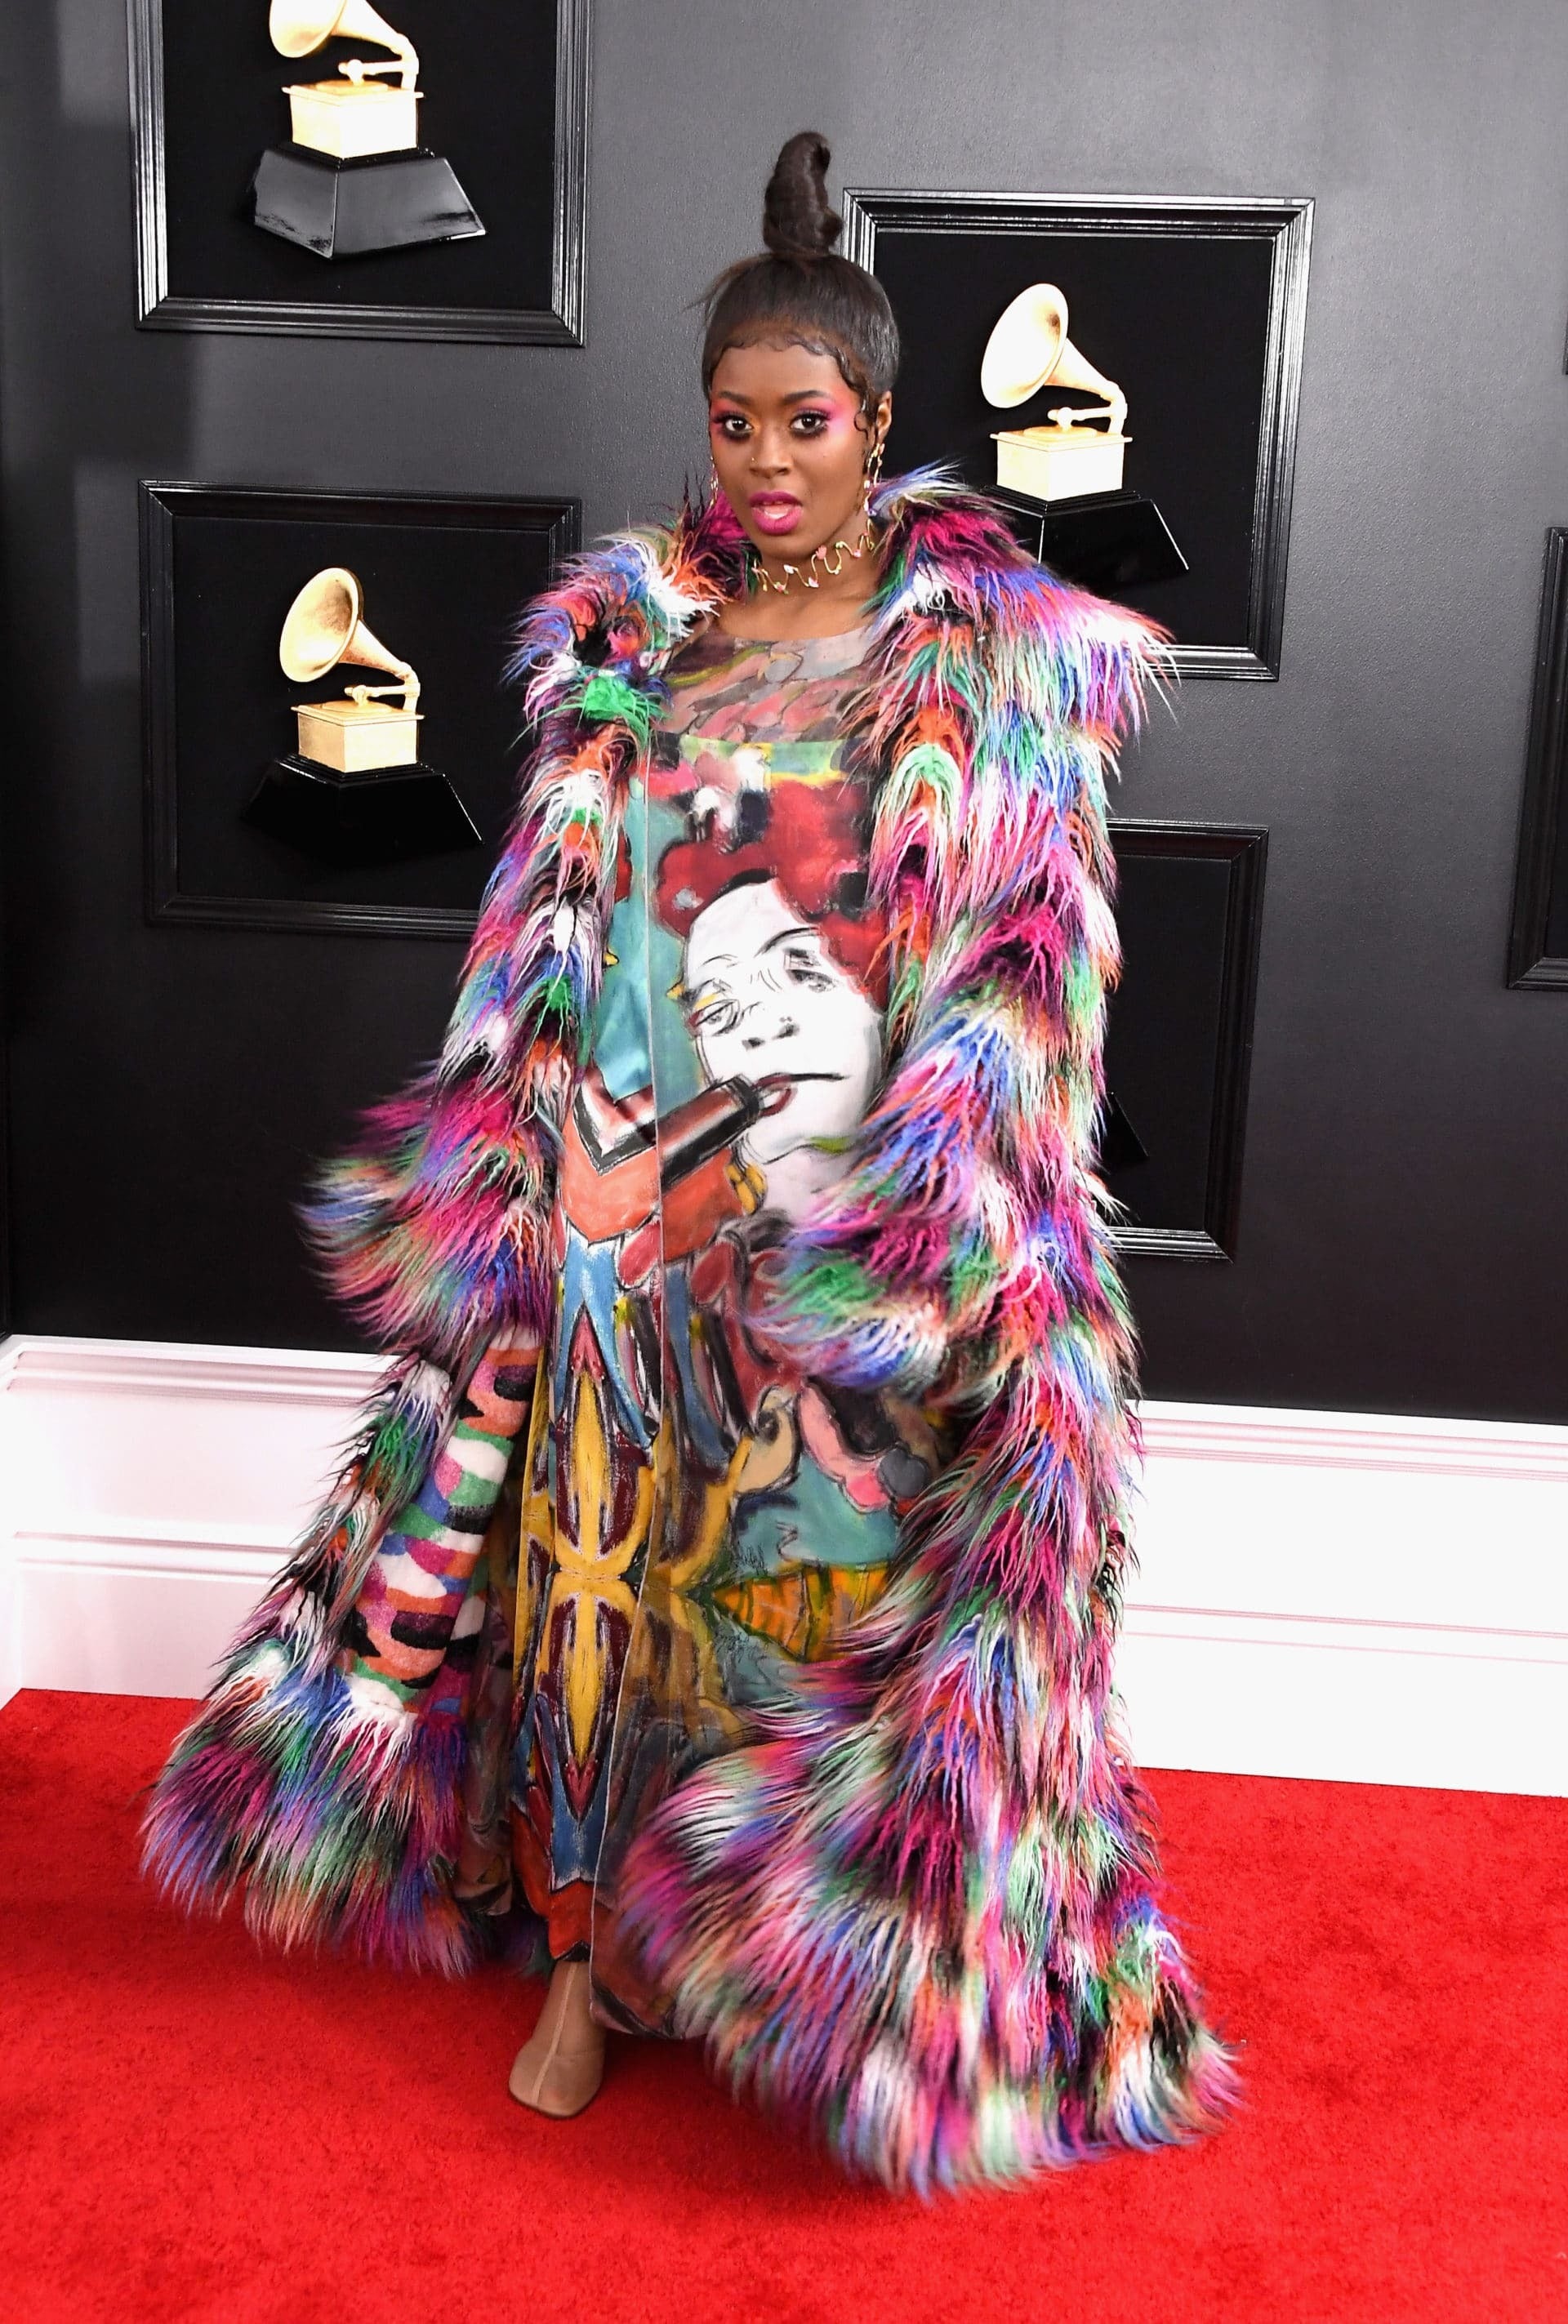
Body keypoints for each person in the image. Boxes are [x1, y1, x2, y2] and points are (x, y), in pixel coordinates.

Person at [142, 130, 1235, 2193]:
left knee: (809, 1579)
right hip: (618, 1192)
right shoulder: (632, 647)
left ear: (876, 419)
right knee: (594, 1578)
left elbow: (1029, 987)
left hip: (846, 1211)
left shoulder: (994, 665)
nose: (767, 461)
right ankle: (586, 1956)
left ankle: (771, 1954)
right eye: (734, 422)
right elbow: (552, 940)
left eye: (804, 421)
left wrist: (929, 1235)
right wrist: (538, 1162)